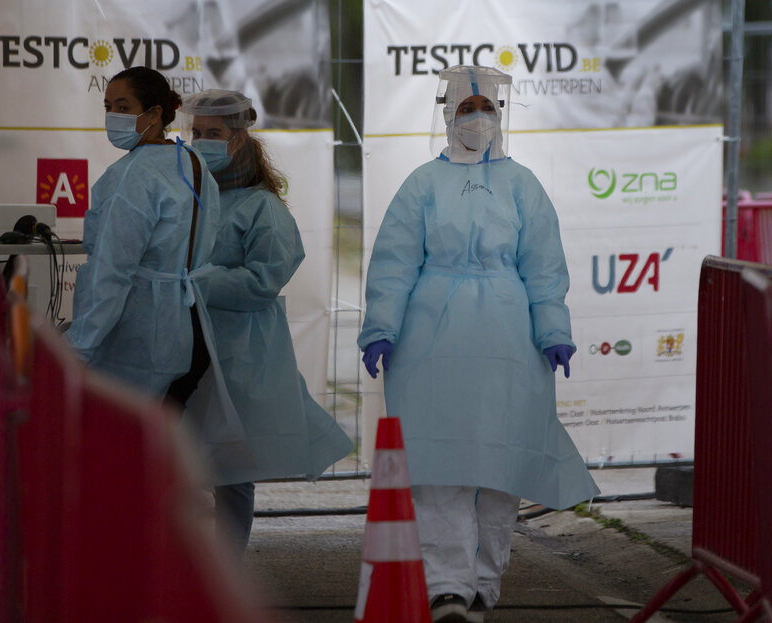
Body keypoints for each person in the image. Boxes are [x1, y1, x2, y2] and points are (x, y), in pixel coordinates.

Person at [357, 65, 599, 623]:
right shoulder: (422, 183)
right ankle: (447, 588)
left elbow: (544, 268)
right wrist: (382, 326)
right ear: (448, 116)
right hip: (430, 345)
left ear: (499, 115)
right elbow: (394, 261)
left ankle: (484, 585)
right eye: (467, 110)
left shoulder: (523, 185)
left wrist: (554, 329)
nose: (477, 120)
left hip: (509, 343)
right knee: (439, 465)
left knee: (499, 469)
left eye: (486, 109)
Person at [177, 90, 353, 555]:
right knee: (176, 460)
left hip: (236, 352)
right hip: (181, 346)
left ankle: (226, 575)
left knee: (232, 473)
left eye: (214, 134)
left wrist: (198, 282)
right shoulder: (189, 196)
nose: (202, 142)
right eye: (197, 133)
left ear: (239, 139)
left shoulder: (263, 209)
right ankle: (183, 569)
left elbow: (263, 280)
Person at [67, 66, 225, 406]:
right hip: (189, 332)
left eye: (124, 107)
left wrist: (78, 348)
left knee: (122, 450)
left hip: (139, 343)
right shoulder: (192, 161)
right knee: (160, 448)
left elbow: (111, 271)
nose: (113, 116)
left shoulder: (132, 175)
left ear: (154, 113)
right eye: (108, 107)